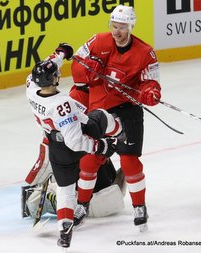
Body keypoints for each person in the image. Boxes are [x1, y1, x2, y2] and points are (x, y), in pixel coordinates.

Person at [70, 5, 162, 232]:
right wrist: (86, 69)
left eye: (122, 27)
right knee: (90, 160)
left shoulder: (145, 52)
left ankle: (139, 206)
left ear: (131, 27)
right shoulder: (98, 41)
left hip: (128, 110)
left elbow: (150, 81)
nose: (117, 31)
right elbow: (77, 64)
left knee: (130, 162)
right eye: (114, 26)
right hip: (100, 109)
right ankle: (82, 204)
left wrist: (150, 91)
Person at [26, 44, 124, 248]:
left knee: (66, 191)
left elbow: (44, 67)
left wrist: (60, 54)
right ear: (53, 79)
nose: (58, 73)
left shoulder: (32, 89)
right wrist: (101, 145)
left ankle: (64, 231)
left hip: (55, 148)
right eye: (56, 73)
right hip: (74, 142)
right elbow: (76, 141)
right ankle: (120, 134)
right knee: (101, 116)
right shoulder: (63, 104)